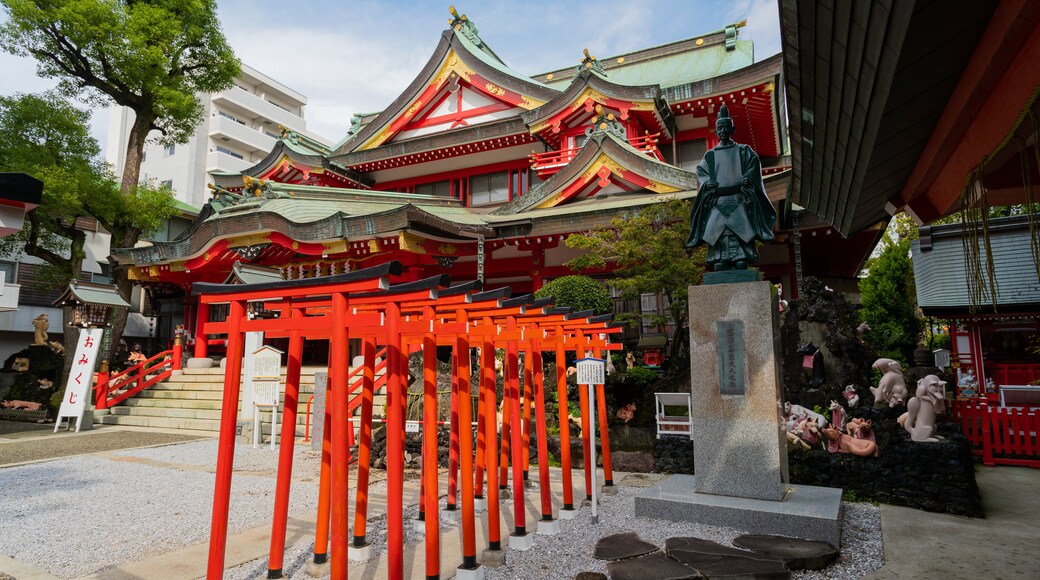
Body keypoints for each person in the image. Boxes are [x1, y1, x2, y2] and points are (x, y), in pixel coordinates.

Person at [686, 103, 776, 270]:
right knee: (718, 232)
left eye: (726, 127)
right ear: (716, 131)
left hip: (738, 199)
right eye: (720, 128)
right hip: (717, 201)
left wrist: (747, 179)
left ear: (732, 130)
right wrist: (706, 183)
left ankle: (741, 258)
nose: (723, 131)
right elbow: (701, 173)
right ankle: (719, 258)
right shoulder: (710, 155)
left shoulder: (744, 151)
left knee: (739, 231)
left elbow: (753, 167)